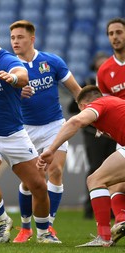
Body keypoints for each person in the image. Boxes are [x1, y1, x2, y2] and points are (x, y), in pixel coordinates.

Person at [0, 19, 58, 244]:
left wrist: (13, 78)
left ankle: (43, 232)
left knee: (38, 185)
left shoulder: (6, 60)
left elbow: (22, 75)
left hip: (14, 134)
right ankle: (3, 220)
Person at [9, 20, 82, 242]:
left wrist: (95, 115)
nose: (15, 42)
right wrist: (17, 93)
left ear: (32, 39)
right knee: (31, 180)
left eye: (20, 37)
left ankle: (47, 226)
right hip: (25, 129)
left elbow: (77, 91)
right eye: (12, 38)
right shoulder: (10, 66)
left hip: (54, 125)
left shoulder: (52, 61)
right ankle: (25, 228)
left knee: (56, 171)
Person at [38, 85, 125, 247]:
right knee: (117, 186)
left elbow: (76, 121)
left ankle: (104, 237)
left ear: (83, 106)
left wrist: (51, 150)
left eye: (81, 109)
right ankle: (122, 220)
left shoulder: (97, 105)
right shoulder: (115, 103)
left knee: (95, 180)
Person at [68, 51, 117, 219]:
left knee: (114, 171)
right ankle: (91, 209)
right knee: (95, 167)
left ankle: (112, 210)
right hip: (93, 135)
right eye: (99, 63)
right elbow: (72, 108)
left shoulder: (112, 85)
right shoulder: (89, 84)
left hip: (113, 133)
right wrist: (88, 115)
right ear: (95, 66)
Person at [95, 17, 125, 244]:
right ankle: (120, 223)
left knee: (101, 179)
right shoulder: (105, 71)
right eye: (111, 33)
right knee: (114, 182)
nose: (115, 37)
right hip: (121, 133)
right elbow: (104, 105)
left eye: (119, 32)